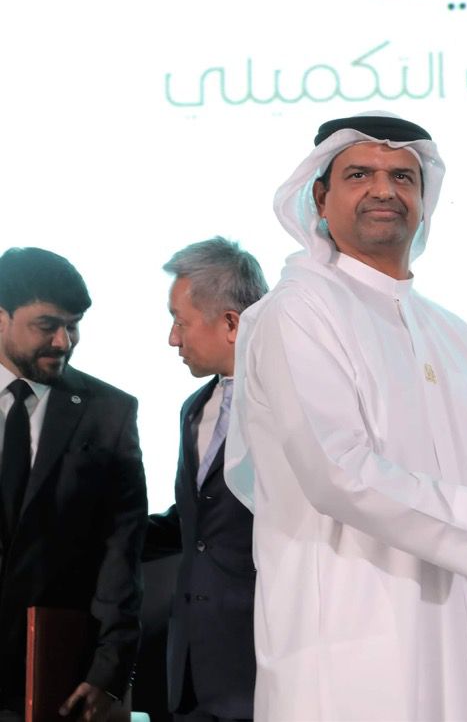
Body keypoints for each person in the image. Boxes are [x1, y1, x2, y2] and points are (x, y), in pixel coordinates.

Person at [223, 112, 467, 721]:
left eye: (403, 177)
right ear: (320, 199)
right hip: (349, 627)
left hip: (458, 625)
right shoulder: (297, 311)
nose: (384, 189)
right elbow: (338, 473)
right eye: (360, 174)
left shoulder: (450, 332)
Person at [0, 247, 146, 722]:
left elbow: (121, 552)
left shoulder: (110, 413)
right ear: (1, 318)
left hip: (55, 672)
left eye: (74, 326)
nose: (63, 341)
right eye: (47, 325)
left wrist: (109, 669)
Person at [145, 238, 268, 722]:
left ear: (231, 324)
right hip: (191, 670)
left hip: (265, 661)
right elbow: (197, 523)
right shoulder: (193, 409)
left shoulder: (290, 405)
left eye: (180, 321)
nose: (172, 339)